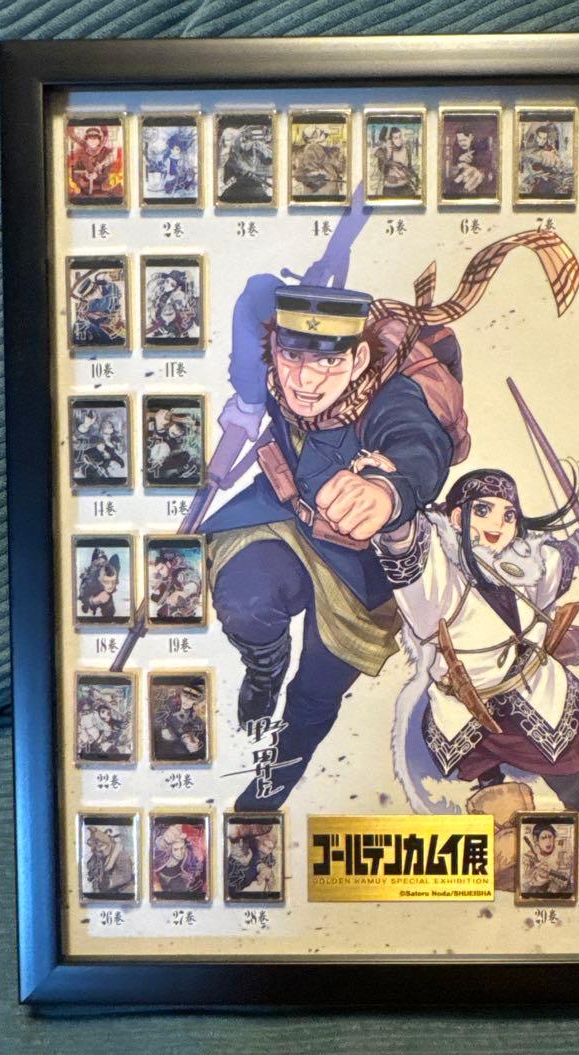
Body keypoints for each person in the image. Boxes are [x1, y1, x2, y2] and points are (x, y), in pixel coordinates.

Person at [204, 283, 454, 810]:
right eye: (292, 356)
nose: (306, 380)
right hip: (282, 520)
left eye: (329, 360)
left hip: (360, 566)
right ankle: (265, 669)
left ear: (358, 358)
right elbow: (253, 295)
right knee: (245, 602)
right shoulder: (272, 375)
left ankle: (267, 794)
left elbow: (419, 443)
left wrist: (388, 492)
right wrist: (249, 397)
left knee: (315, 695)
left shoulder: (391, 396)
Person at [376, 468, 579, 820]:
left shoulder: (520, 560)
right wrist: (393, 508)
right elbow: (405, 551)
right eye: (483, 510)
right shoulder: (441, 566)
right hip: (473, 699)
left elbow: (555, 563)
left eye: (508, 515)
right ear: (457, 517)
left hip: (532, 684)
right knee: (494, 791)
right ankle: (491, 785)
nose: (498, 523)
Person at [152, 682, 208, 760]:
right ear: (180, 695)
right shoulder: (166, 709)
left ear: (196, 701)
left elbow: (197, 737)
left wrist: (191, 741)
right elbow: (156, 724)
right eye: (185, 695)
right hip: (164, 751)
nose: (186, 700)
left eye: (192, 698)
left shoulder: (196, 720)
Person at [520, 821, 573, 897]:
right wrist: (534, 869)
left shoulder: (562, 847)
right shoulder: (533, 853)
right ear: (536, 840)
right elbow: (526, 878)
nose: (548, 841)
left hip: (561, 891)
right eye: (543, 838)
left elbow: (564, 878)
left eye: (550, 837)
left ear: (554, 837)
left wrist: (550, 873)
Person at [519, 124, 571, 197]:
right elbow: (526, 161)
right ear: (536, 137)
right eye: (540, 138)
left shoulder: (549, 149)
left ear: (547, 139)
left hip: (550, 178)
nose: (542, 141)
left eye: (544, 139)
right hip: (537, 179)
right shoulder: (530, 148)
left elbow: (559, 165)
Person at [153, 825, 204, 895]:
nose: (180, 853)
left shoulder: (189, 856)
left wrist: (191, 877)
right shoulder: (162, 856)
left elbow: (197, 863)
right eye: (176, 849)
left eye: (182, 848)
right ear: (170, 849)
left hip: (178, 883)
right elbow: (159, 846)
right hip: (160, 881)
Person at [293, 126, 344, 196]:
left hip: (315, 187)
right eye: (318, 133)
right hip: (322, 187)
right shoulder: (314, 147)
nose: (324, 135)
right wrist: (333, 175)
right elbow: (325, 164)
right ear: (311, 139)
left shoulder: (310, 148)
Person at [445, 124, 494, 197]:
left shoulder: (480, 147)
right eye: (460, 141)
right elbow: (456, 164)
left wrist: (474, 164)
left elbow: (486, 164)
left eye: (464, 140)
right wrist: (460, 159)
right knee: (457, 183)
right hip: (465, 175)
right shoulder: (457, 147)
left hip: (480, 174)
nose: (462, 143)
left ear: (471, 137)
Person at [85, 826, 134, 895]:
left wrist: (109, 882)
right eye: (95, 846)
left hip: (121, 890)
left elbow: (125, 876)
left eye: (100, 845)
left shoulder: (122, 855)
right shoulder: (98, 854)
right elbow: (91, 867)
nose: (98, 849)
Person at [373, 125, 419, 199]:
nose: (399, 140)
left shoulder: (406, 150)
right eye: (396, 138)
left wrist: (416, 177)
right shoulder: (384, 152)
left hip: (405, 186)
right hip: (390, 188)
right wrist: (388, 153)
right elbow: (382, 169)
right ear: (391, 140)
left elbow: (409, 167)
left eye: (400, 136)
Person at [78, 547, 121, 620]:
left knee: (110, 612)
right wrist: (93, 600)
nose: (110, 585)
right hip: (92, 588)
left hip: (104, 586)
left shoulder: (113, 570)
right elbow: (82, 601)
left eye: (113, 582)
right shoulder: (90, 581)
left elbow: (115, 559)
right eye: (106, 582)